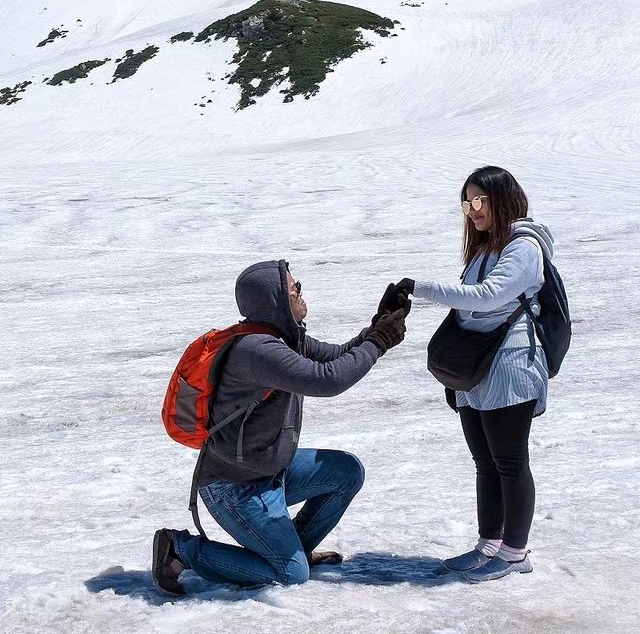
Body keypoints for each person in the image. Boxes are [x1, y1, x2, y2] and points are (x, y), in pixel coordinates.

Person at [153, 260, 408, 594]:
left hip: (270, 471)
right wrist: (379, 342)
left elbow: (335, 357)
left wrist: (376, 328)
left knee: (347, 471)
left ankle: (289, 550)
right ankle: (180, 548)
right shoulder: (257, 350)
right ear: (273, 301)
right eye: (294, 289)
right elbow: (328, 380)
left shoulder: (282, 338)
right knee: (291, 576)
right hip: (234, 488)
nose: (301, 293)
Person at [397, 166, 554, 583]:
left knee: (509, 461)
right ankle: (489, 545)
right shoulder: (486, 248)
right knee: (485, 462)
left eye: (479, 200)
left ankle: (516, 552)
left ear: (503, 197)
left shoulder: (524, 247)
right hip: (477, 368)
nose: (472, 210)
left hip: (510, 364)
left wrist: (420, 286)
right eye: (466, 202)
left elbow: (488, 298)